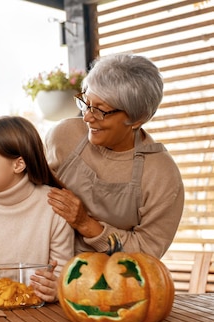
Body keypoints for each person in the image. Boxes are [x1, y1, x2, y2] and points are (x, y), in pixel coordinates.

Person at [44, 53, 184, 257]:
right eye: (86, 103)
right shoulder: (63, 136)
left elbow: (146, 252)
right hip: (48, 272)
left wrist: (85, 223)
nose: (87, 117)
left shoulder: (161, 175)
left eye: (101, 110)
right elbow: (26, 187)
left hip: (113, 281)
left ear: (138, 118)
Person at [0, 116, 74, 305]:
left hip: (43, 316)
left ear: (18, 165)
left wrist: (57, 288)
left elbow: (62, 273)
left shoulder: (55, 204)